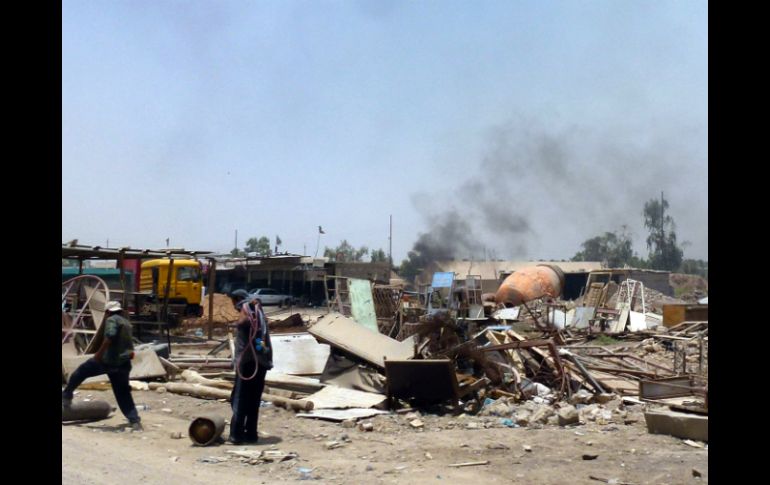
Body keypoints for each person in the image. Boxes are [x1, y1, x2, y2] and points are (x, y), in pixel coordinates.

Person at [62, 301, 143, 431]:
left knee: (80, 372)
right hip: (124, 363)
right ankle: (134, 421)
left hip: (108, 361)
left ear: (107, 312)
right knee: (123, 393)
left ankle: (66, 396)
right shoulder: (127, 323)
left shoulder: (111, 320)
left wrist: (98, 354)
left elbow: (110, 336)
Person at [227, 289, 273, 444]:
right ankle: (251, 434)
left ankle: (236, 435)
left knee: (240, 399)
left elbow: (243, 322)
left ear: (238, 299)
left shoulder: (247, 307)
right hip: (261, 362)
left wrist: (238, 321)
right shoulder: (258, 311)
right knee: (253, 400)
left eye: (233, 302)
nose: (234, 306)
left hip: (247, 363)